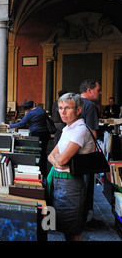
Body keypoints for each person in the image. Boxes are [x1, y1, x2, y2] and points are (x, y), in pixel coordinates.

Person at [47, 93, 94, 241]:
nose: (62, 112)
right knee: (63, 227)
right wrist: (58, 161)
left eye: (67, 108)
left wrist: (57, 161)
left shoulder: (80, 129)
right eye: (60, 108)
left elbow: (62, 159)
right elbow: (51, 156)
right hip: (59, 181)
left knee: (72, 231)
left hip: (71, 184)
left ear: (79, 110)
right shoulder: (68, 129)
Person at [6, 99, 51, 178]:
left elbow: (21, 124)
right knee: (43, 152)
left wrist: (10, 126)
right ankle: (44, 171)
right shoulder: (40, 109)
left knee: (36, 153)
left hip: (36, 134)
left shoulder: (29, 114)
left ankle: (38, 170)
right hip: (46, 133)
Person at [79, 79, 101, 223]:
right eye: (98, 90)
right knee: (87, 185)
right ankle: (86, 217)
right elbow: (92, 131)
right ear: (89, 90)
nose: (99, 93)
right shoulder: (90, 106)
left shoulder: (72, 102)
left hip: (71, 148)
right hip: (86, 150)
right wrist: (93, 156)